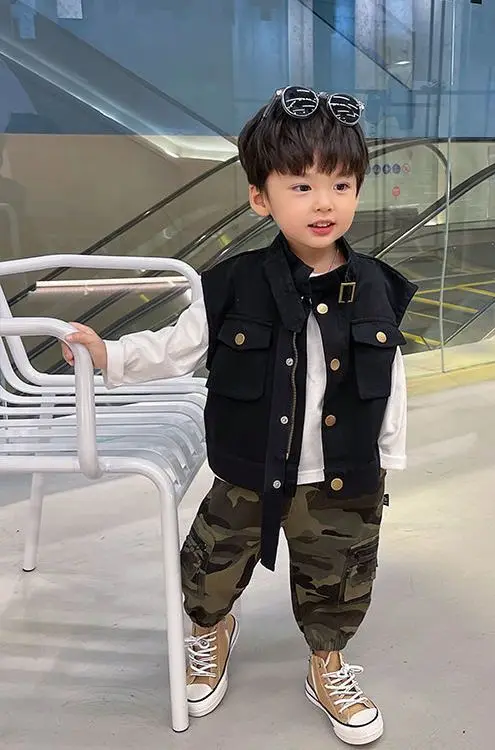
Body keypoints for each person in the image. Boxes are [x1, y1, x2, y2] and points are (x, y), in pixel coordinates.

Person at [62, 86, 416, 746]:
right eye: (302, 186)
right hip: (249, 469)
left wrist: (386, 456)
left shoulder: (376, 286)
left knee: (339, 579)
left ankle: (327, 664)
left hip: (343, 475)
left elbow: (391, 378)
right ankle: (212, 629)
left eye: (340, 185)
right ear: (261, 196)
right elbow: (176, 347)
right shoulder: (231, 284)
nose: (324, 203)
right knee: (210, 563)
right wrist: (109, 354)